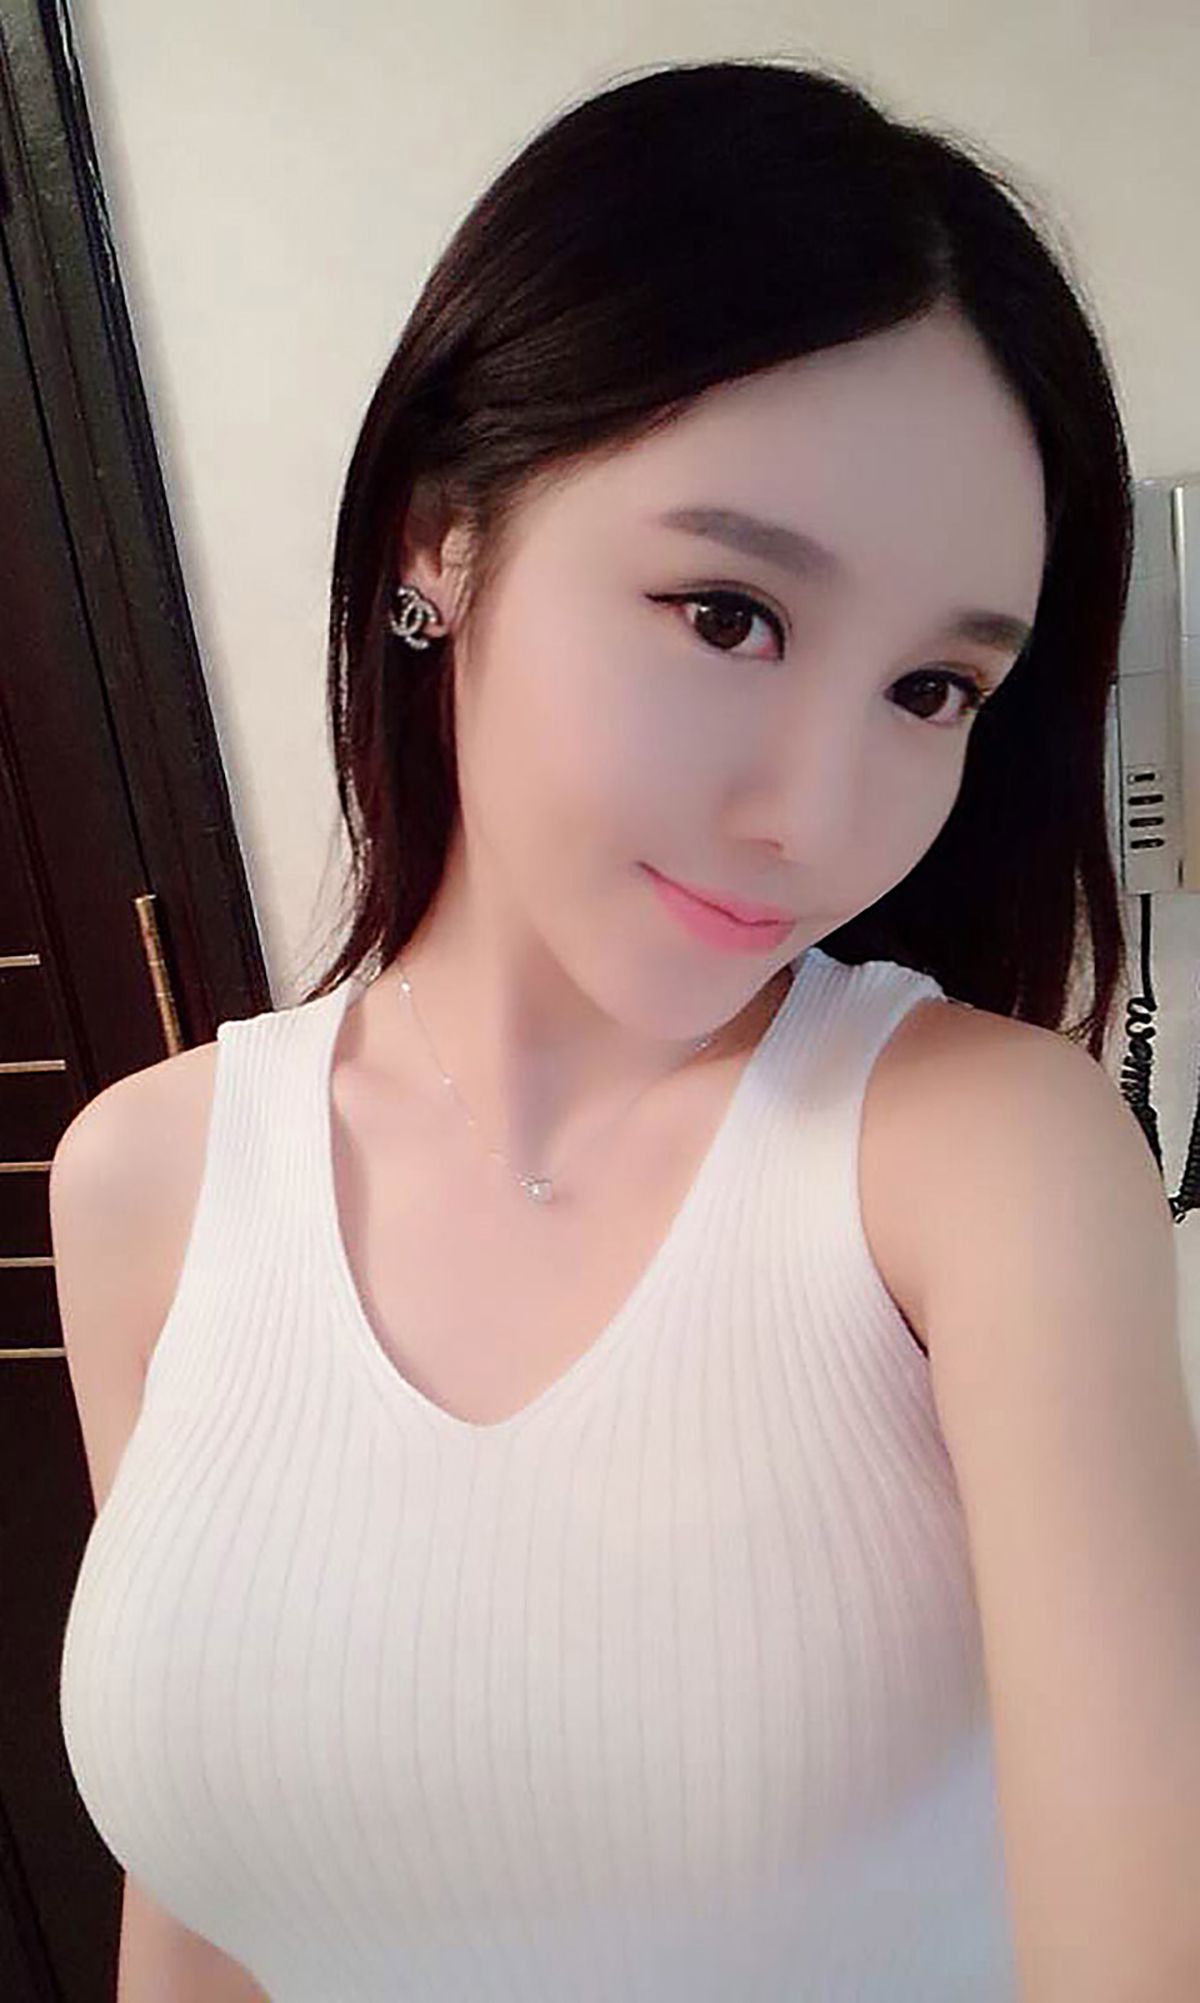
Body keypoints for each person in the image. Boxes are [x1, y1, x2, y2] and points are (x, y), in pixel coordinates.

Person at [52, 56, 1148, 2003]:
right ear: (438, 536)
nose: (819, 815)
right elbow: (202, 1882)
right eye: (729, 614)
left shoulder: (981, 1166)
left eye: (933, 691)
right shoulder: (146, 1181)